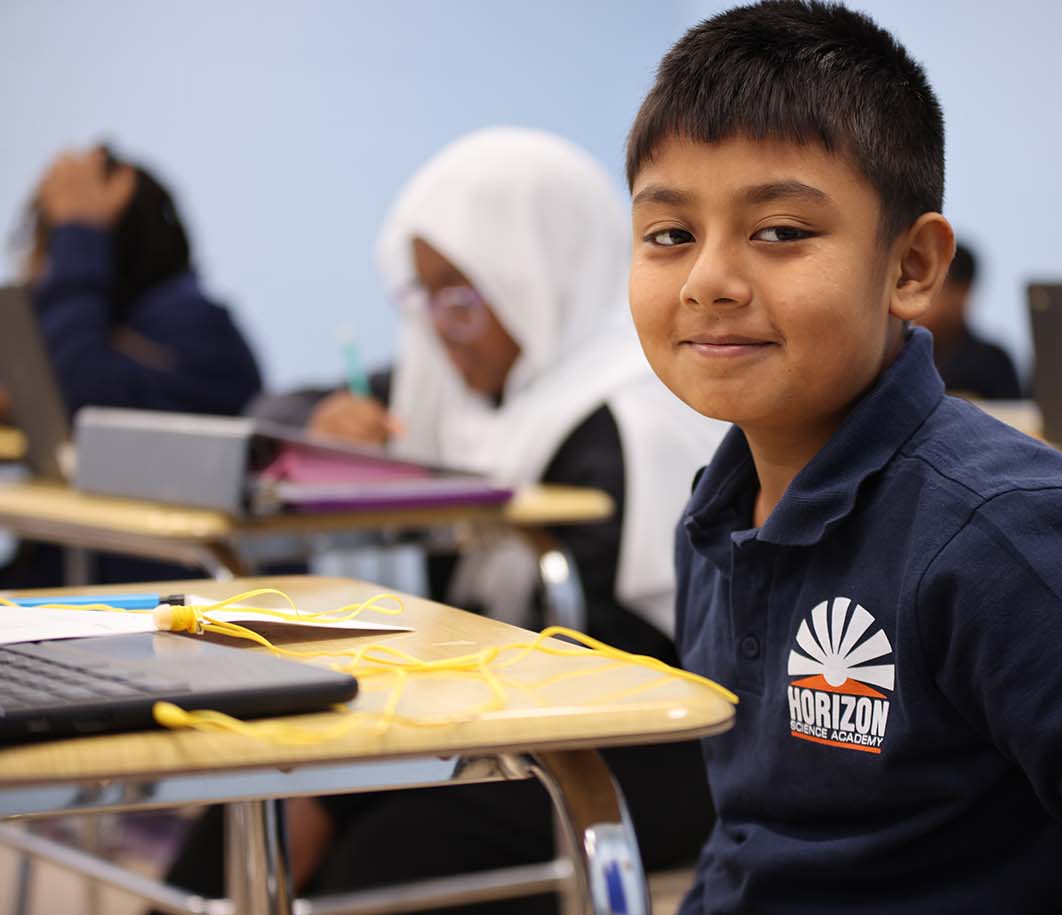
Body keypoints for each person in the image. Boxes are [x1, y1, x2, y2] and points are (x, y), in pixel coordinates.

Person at [624, 3, 1062, 913]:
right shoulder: (716, 515)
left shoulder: (1012, 542)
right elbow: (755, 840)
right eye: (670, 235)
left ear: (911, 266)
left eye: (780, 231)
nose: (708, 277)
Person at [161, 127, 723, 914]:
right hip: (490, 704)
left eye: (461, 298)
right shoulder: (481, 391)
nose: (438, 330)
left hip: (642, 741)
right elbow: (274, 412)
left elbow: (609, 651)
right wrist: (324, 418)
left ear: (535, 277)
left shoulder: (636, 411)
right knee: (256, 797)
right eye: (422, 298)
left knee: (389, 864)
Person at [1, 146, 263, 587]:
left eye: (54, 243)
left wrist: (79, 231)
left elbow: (83, 397)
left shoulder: (197, 327)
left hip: (162, 585)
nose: (39, 267)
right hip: (83, 568)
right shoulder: (101, 324)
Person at [913, 241, 1021, 399]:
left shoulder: (993, 362)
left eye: (929, 287)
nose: (914, 297)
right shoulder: (898, 357)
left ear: (963, 291)